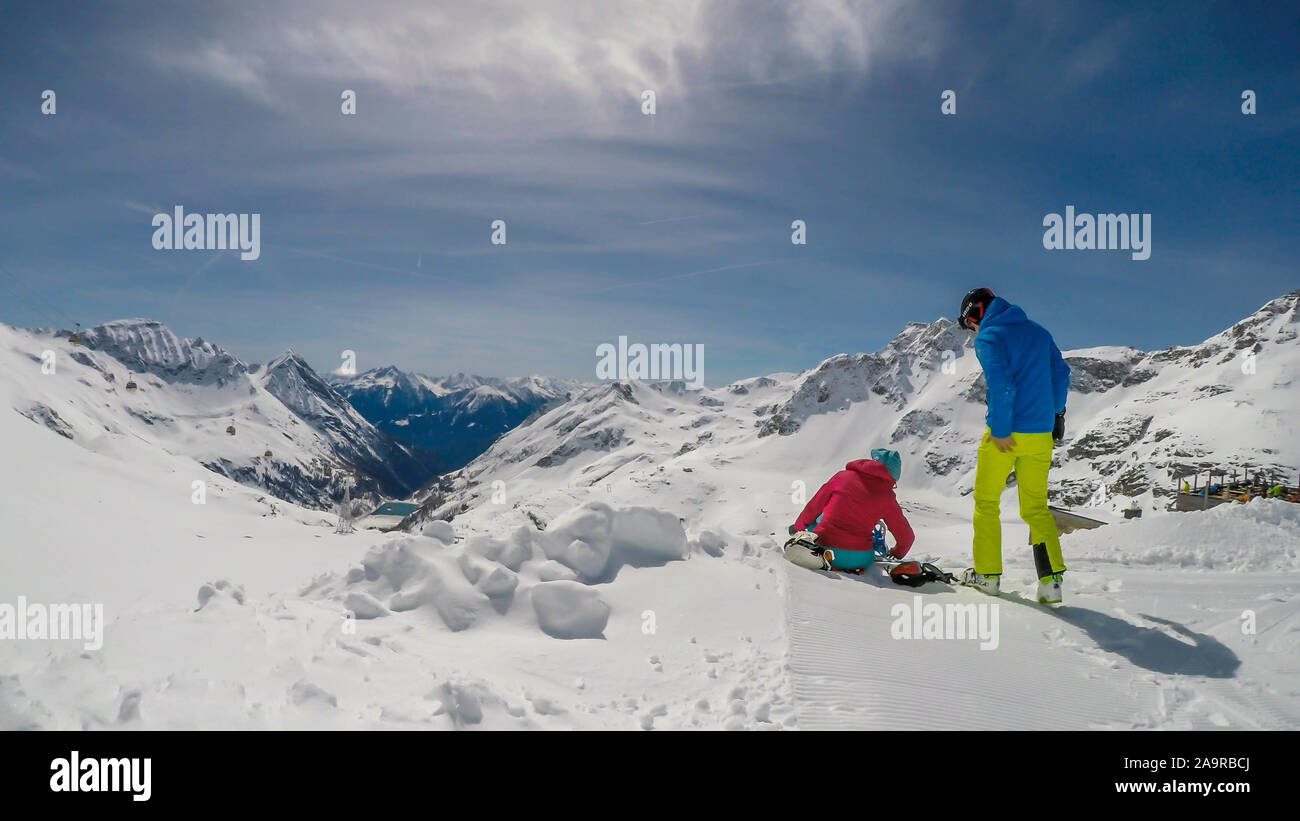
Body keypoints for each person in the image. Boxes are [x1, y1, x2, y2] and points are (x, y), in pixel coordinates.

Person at [957, 287, 1070, 604]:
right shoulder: (1039, 333)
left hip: (1005, 434)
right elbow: (1061, 375)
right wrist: (1057, 415)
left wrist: (1002, 429)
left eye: (970, 326)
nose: (972, 333)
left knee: (986, 502)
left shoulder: (990, 338)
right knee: (1035, 508)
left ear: (977, 313)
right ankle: (1051, 582)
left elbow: (1002, 384)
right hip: (1040, 434)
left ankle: (988, 575)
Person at [789, 448, 915, 572]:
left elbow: (814, 506)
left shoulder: (841, 477)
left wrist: (797, 527)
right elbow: (906, 537)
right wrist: (896, 553)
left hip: (823, 549)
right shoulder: (888, 496)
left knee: (817, 518)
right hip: (859, 559)